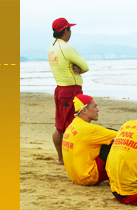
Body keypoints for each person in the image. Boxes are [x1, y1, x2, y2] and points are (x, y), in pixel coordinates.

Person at [49, 17, 90, 165]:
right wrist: (79, 68)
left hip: (59, 89)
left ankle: (61, 158)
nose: (71, 32)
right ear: (65, 31)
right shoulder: (66, 48)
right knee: (73, 125)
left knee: (59, 125)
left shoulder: (52, 47)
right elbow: (85, 66)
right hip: (71, 91)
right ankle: (70, 158)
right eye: (69, 29)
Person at [61, 94, 117, 186]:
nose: (97, 110)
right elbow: (123, 137)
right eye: (95, 107)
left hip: (75, 177)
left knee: (108, 133)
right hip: (88, 177)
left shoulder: (72, 125)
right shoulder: (89, 129)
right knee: (120, 142)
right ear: (84, 110)